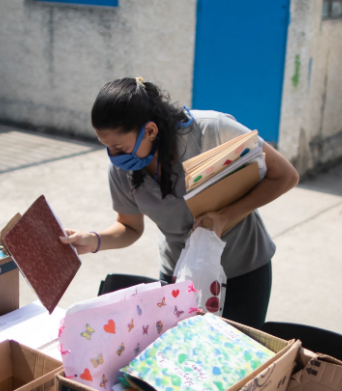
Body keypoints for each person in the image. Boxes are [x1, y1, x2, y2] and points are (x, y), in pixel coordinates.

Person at [61, 78, 300, 329]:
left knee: (237, 360)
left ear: (151, 131)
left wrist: (226, 216)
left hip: (242, 268)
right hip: (180, 275)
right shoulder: (122, 169)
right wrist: (93, 240)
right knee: (183, 361)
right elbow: (129, 228)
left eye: (119, 147)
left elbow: (286, 175)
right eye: (107, 147)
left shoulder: (213, 131)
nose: (114, 156)